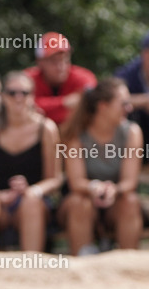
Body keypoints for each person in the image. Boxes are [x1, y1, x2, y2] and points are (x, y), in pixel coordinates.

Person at [0, 71, 62, 252]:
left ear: (33, 96)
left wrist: (33, 190)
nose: (18, 98)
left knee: (31, 202)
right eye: (12, 93)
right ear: (4, 96)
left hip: (33, 204)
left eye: (24, 93)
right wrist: (0, 196)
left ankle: (31, 267)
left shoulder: (46, 129)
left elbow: (55, 178)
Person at [58, 78, 143, 255]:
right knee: (79, 203)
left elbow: (129, 182)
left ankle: (128, 266)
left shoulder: (132, 132)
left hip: (117, 202)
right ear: (103, 106)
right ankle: (83, 266)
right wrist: (94, 187)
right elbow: (77, 182)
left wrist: (114, 190)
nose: (129, 108)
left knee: (130, 202)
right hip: (82, 201)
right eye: (123, 104)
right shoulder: (76, 134)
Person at [26, 31, 96, 125]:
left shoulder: (84, 78)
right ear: (40, 62)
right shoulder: (27, 80)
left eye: (65, 59)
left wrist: (43, 108)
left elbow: (90, 108)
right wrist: (64, 103)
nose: (61, 66)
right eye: (54, 61)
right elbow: (21, 108)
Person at [114, 31, 149, 163]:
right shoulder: (128, 74)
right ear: (145, 54)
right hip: (135, 131)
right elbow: (111, 100)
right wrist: (144, 101)